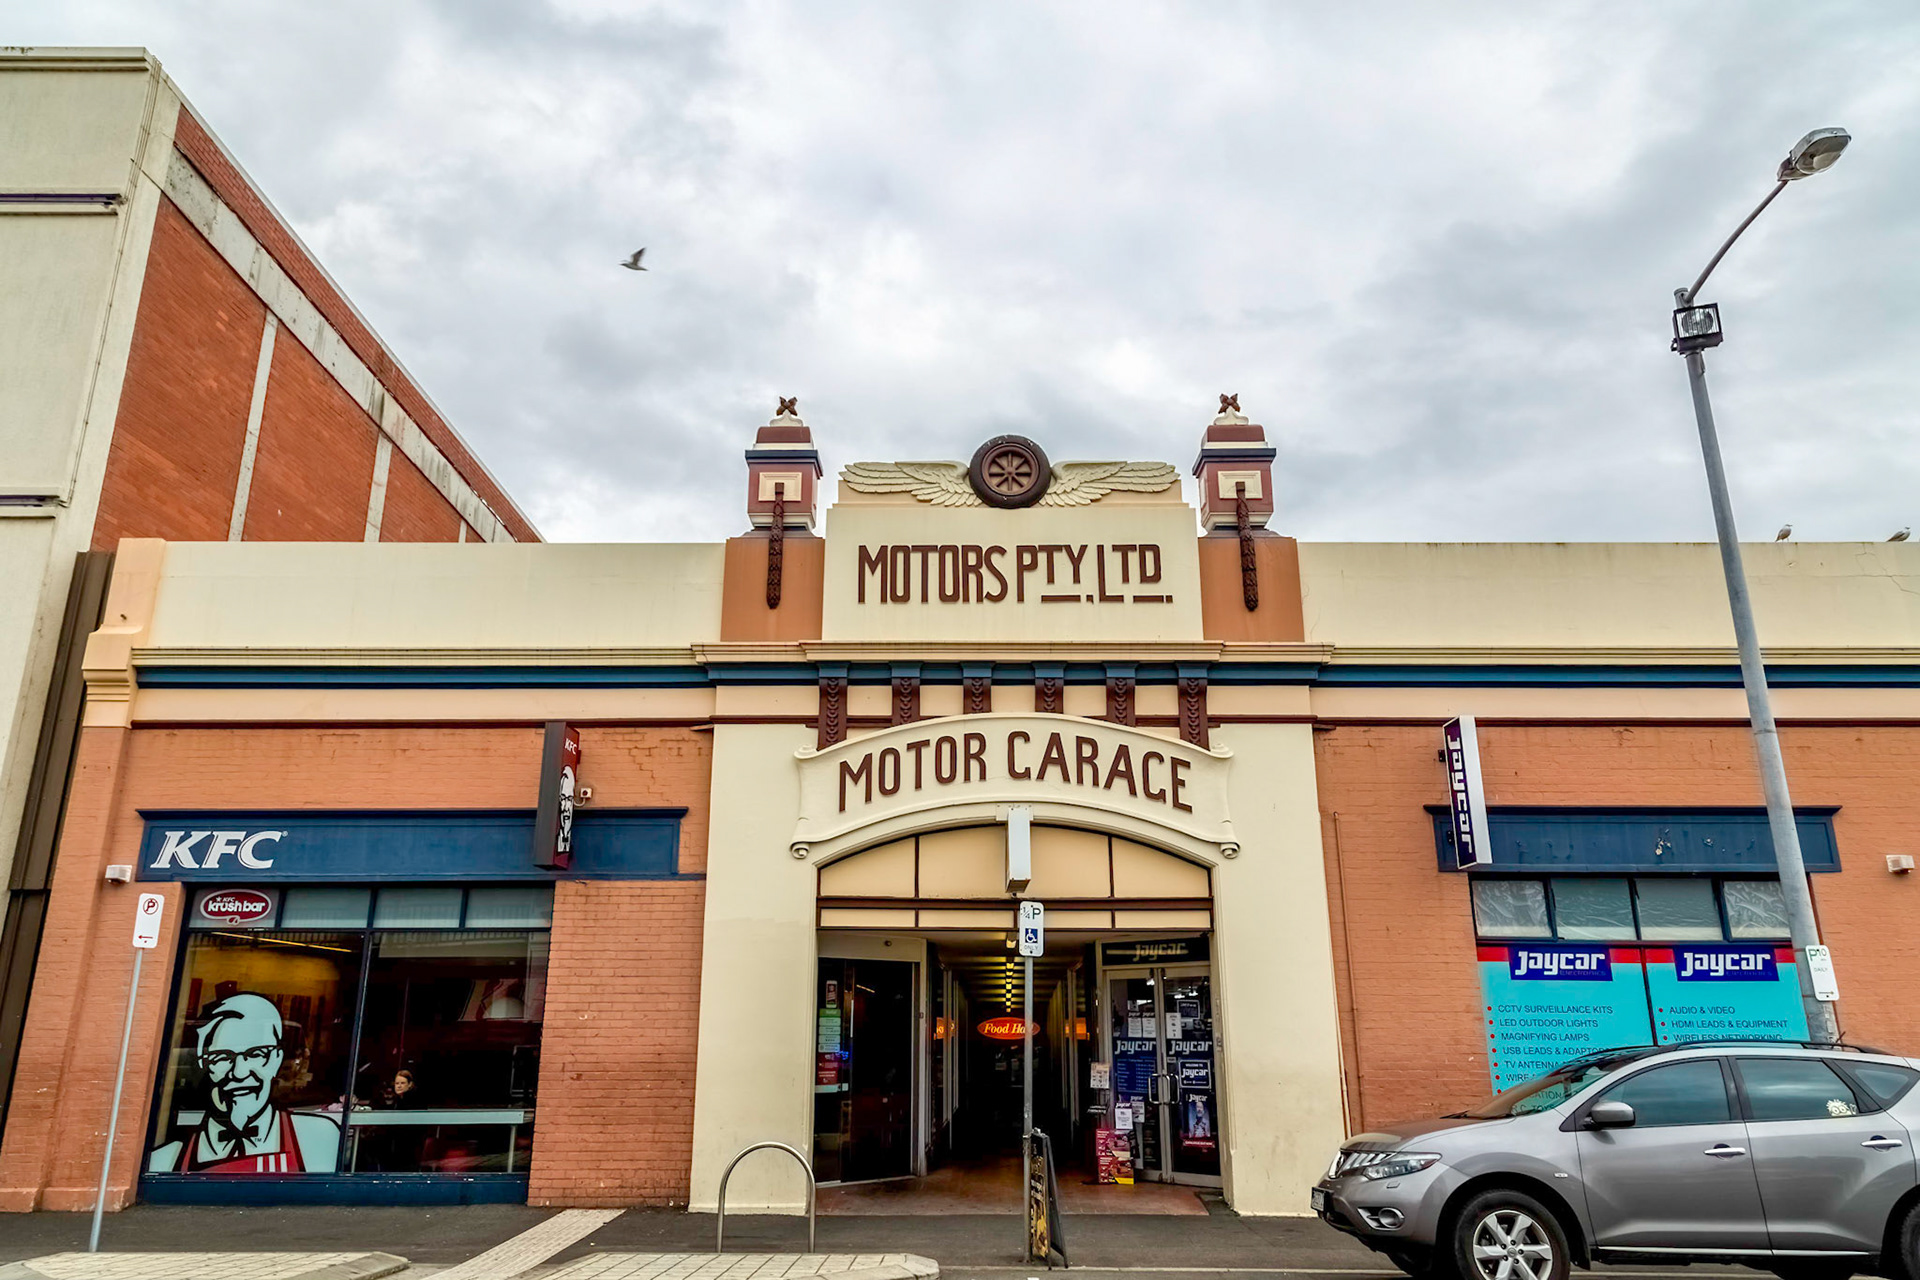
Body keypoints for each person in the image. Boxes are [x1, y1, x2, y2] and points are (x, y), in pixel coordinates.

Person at [149, 993, 340, 1173]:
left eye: (256, 1054)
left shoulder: (316, 1137)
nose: (240, 1072)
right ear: (204, 1063)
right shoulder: (165, 1160)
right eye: (222, 1057)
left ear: (276, 1060)